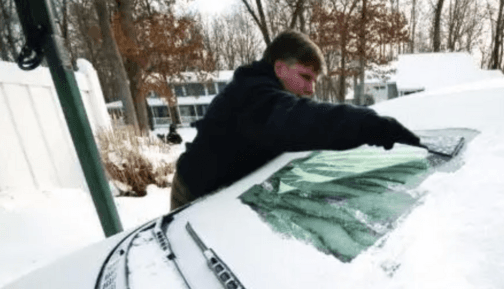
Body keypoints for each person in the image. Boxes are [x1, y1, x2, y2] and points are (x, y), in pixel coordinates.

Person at [170, 30, 420, 210]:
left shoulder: (255, 91)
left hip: (223, 190)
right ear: (280, 69)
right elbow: (305, 121)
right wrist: (374, 125)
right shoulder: (254, 97)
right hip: (195, 195)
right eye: (306, 77)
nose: (311, 89)